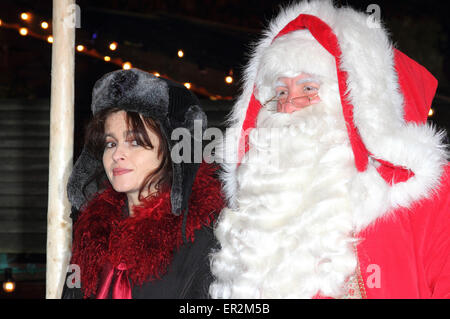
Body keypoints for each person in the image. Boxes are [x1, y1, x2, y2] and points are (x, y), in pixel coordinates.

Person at [209, 0, 449, 299]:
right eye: (280, 91)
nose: (289, 106)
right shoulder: (260, 209)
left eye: (309, 88)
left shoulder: (427, 194)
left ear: (352, 103)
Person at [62, 68, 224, 299]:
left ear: (171, 149)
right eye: (110, 143)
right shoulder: (92, 237)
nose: (117, 154)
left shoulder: (207, 238)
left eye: (135, 142)